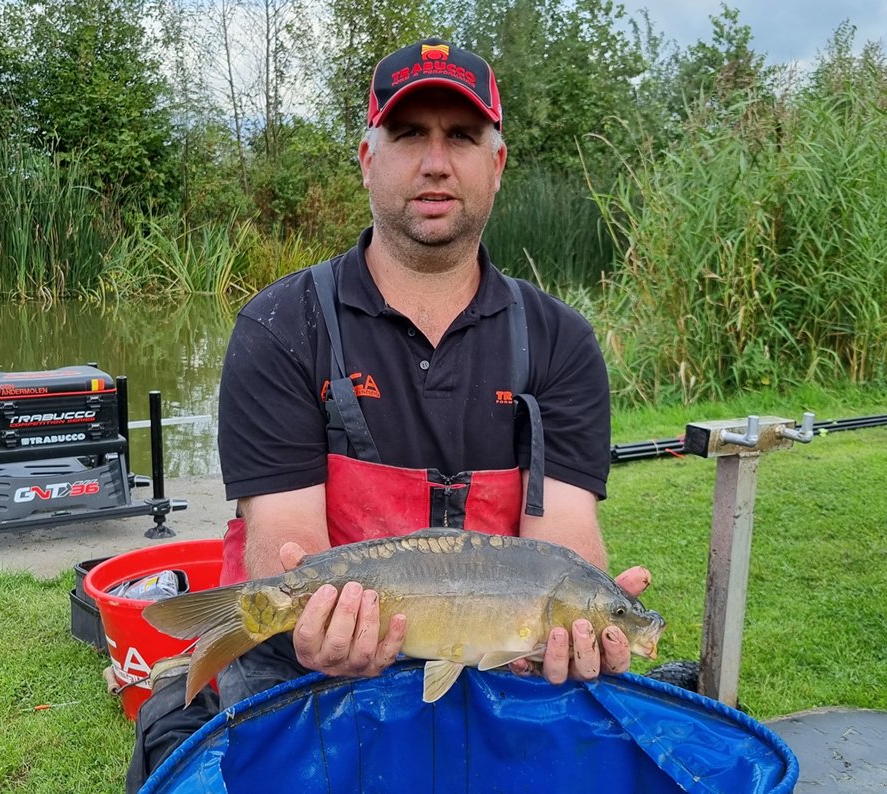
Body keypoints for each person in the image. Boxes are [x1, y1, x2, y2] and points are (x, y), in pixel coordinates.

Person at [127, 37, 651, 789]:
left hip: (486, 671)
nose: (435, 162)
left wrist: (582, 625)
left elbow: (564, 539)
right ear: (368, 158)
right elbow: (286, 544)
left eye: (462, 137)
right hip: (308, 678)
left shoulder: (559, 340)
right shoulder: (280, 327)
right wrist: (319, 625)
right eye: (409, 134)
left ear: (496, 166)